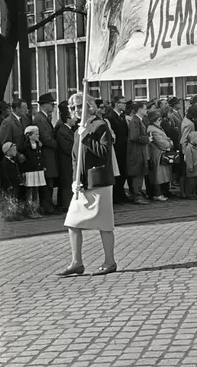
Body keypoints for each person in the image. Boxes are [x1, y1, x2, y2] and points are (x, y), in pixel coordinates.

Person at [59, 95, 117, 276]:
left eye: (79, 106)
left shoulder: (100, 126)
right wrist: (74, 180)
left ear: (90, 106)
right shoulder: (78, 129)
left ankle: (110, 261)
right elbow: (75, 159)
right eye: (72, 107)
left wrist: (87, 138)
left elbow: (104, 152)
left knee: (104, 224)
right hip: (82, 184)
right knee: (72, 222)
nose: (76, 110)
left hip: (99, 181)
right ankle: (76, 262)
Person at [34, 93, 59, 214]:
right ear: (45, 105)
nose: (53, 107)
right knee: (47, 182)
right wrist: (57, 145)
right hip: (46, 155)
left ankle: (48, 206)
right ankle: (46, 207)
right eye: (52, 104)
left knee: (49, 182)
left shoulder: (43, 118)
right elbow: (46, 138)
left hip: (48, 154)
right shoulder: (40, 119)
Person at [105, 96, 130, 203]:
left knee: (123, 172)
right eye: (122, 103)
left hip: (124, 148)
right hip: (117, 148)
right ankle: (116, 195)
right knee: (118, 173)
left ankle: (121, 193)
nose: (125, 105)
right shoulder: (111, 117)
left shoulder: (122, 116)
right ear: (116, 104)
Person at [146, 109, 174, 202]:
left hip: (161, 153)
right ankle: (157, 193)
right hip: (157, 154)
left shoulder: (157, 128)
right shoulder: (153, 129)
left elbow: (166, 139)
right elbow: (162, 143)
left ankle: (162, 192)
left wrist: (169, 142)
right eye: (159, 120)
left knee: (162, 174)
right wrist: (170, 143)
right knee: (158, 175)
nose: (160, 121)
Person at [127, 102, 150, 204]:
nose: (146, 110)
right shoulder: (135, 121)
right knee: (137, 173)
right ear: (140, 110)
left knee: (140, 172)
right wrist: (147, 139)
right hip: (136, 151)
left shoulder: (138, 120)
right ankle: (137, 196)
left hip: (139, 151)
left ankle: (139, 194)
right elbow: (134, 137)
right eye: (145, 109)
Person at [20, 125, 46, 218]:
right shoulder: (25, 147)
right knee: (30, 191)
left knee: (36, 191)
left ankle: (35, 210)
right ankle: (29, 211)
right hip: (30, 171)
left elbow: (41, 156)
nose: (38, 136)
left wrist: (42, 165)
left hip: (37, 170)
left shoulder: (38, 145)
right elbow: (23, 161)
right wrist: (23, 171)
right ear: (29, 136)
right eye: (36, 134)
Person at [56, 106, 77, 211]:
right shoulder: (62, 131)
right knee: (66, 182)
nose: (76, 119)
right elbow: (67, 148)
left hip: (69, 160)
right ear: (68, 119)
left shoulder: (68, 130)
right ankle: (66, 204)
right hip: (65, 161)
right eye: (73, 117)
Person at [183, 131, 197, 200]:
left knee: (195, 182)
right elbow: (189, 159)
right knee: (191, 182)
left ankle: (194, 193)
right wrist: (190, 167)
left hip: (196, 167)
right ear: (193, 138)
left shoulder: (195, 147)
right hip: (192, 167)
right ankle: (189, 194)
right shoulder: (189, 148)